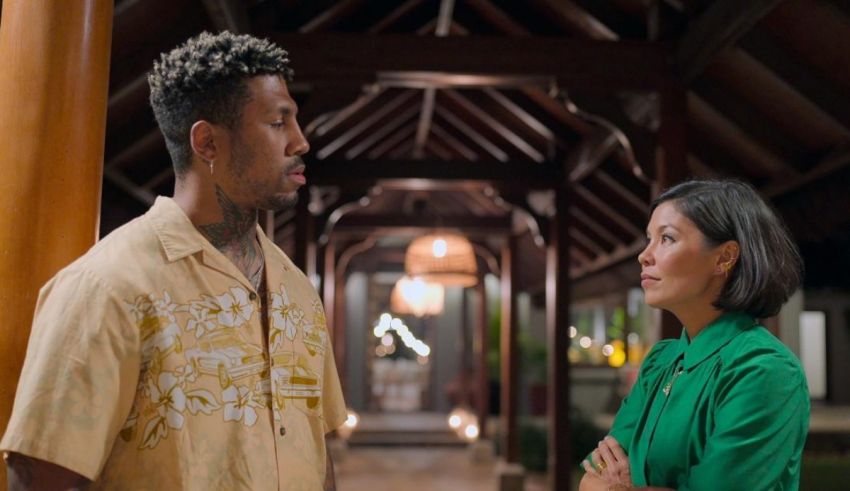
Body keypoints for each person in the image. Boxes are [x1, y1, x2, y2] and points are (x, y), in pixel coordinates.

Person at [1, 31, 346, 490]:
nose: (300, 142)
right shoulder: (108, 287)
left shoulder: (296, 289)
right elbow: (42, 473)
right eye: (278, 123)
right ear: (206, 143)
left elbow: (316, 453)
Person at [580, 179, 809, 491]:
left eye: (667, 239)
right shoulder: (660, 362)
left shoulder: (763, 370)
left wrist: (621, 487)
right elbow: (591, 481)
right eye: (649, 239)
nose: (644, 255)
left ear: (725, 257)